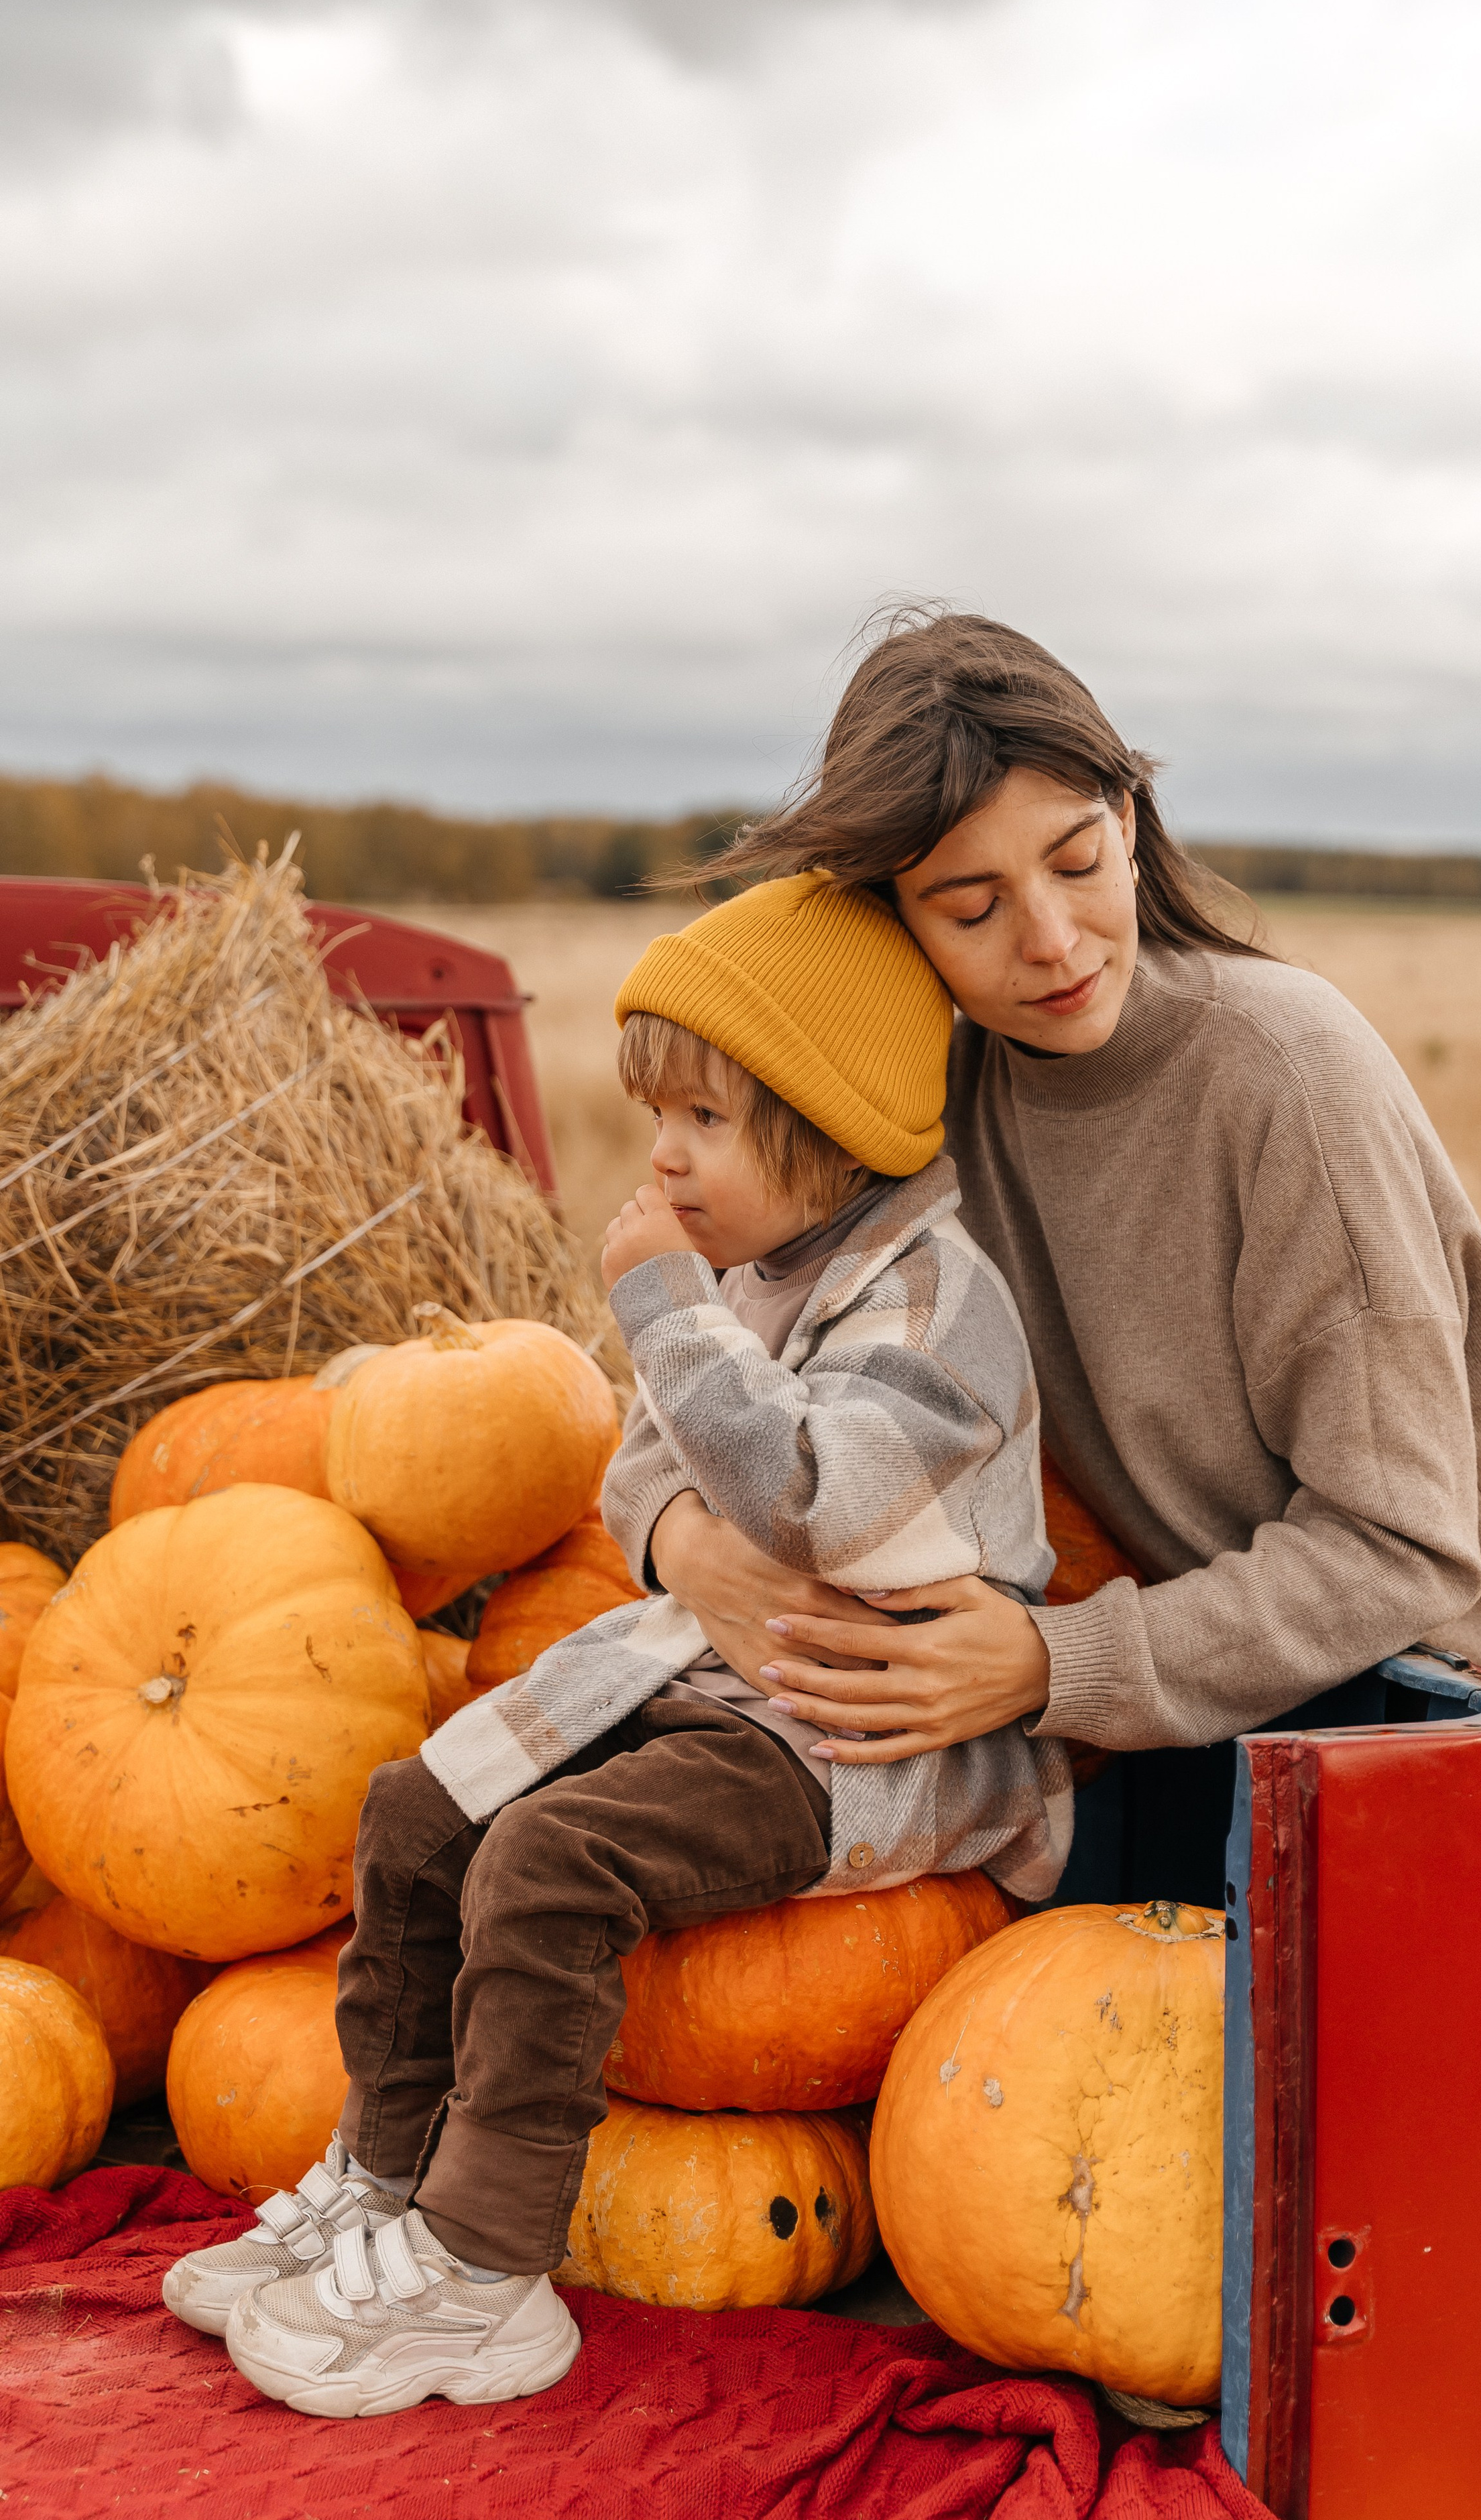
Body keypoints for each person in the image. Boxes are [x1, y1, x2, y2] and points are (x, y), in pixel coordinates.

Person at [641, 611, 1481, 2519]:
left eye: (1081, 861)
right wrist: (682, 1538)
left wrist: (1046, 1676)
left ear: (1139, 816)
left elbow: (1399, 1542)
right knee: (1314, 2389)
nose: (1051, 943)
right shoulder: (911, 1114)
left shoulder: (1281, 1070)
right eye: (970, 907)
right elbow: (677, 1355)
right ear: (891, 920)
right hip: (1269, 1759)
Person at [162, 868, 1072, 2418]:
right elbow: (642, 1466)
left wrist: (660, 1313)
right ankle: (385, 2178)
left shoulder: (936, 1307)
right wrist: (681, 1456)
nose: (659, 1157)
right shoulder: (758, 1275)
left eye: (703, 1122)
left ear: (832, 1119)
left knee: (554, 1862)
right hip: (713, 1674)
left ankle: (482, 2270)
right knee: (418, 1807)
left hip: (857, 1737)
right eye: (658, 1116)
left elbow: (806, 1497)